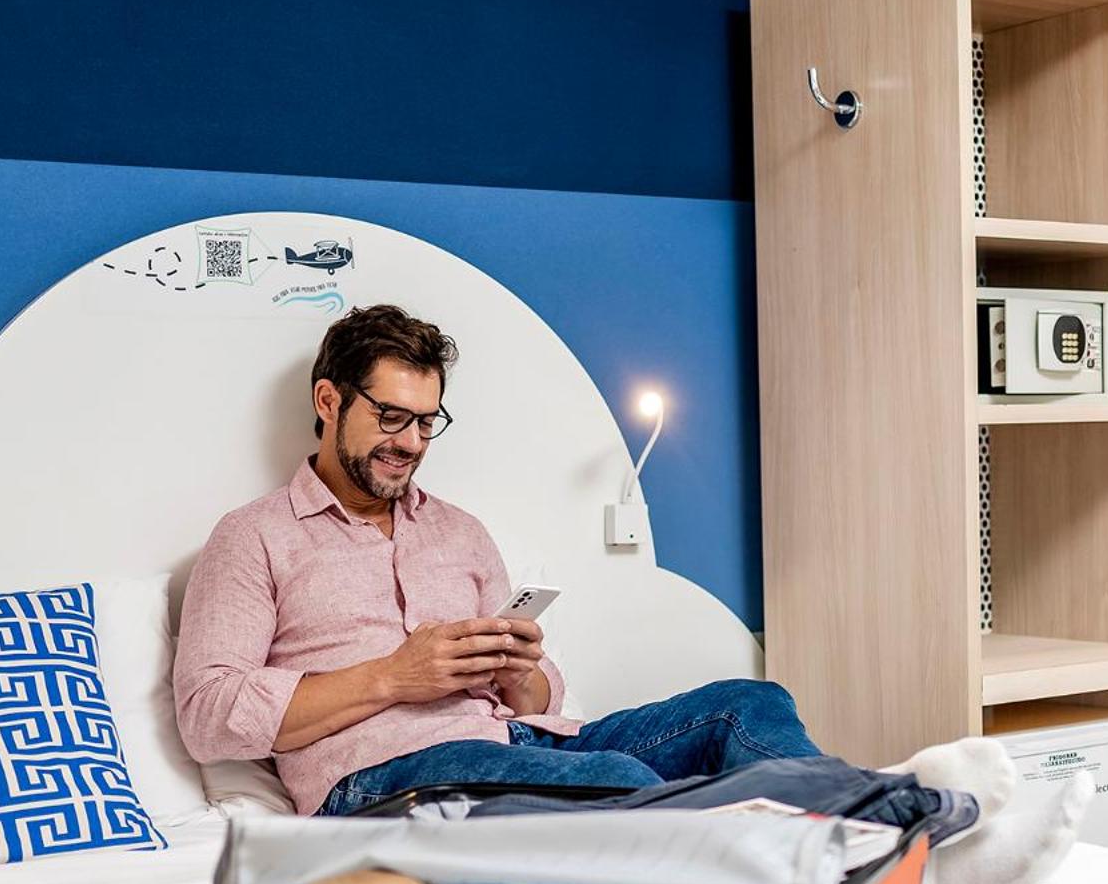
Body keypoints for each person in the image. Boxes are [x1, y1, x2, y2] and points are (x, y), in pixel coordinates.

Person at [173, 303, 827, 819]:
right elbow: (207, 715)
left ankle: (849, 834)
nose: (411, 443)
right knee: (620, 781)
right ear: (328, 401)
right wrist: (394, 676)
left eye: (427, 422)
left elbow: (538, 697)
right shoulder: (254, 537)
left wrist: (519, 671)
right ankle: (765, 850)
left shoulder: (460, 532)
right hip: (380, 777)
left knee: (748, 706)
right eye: (392, 417)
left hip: (520, 743)